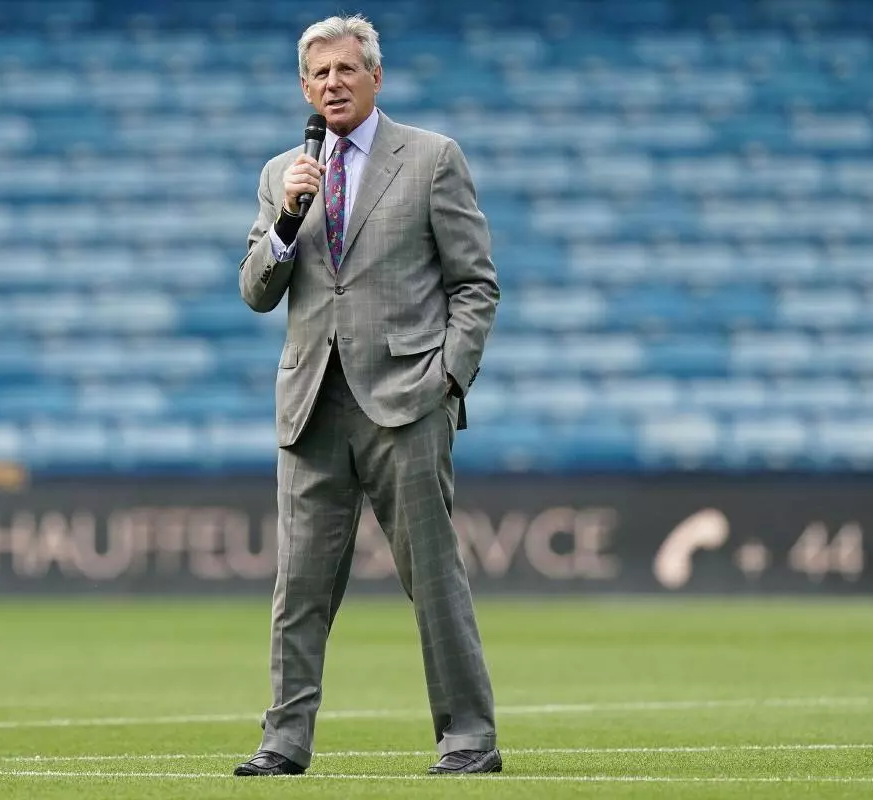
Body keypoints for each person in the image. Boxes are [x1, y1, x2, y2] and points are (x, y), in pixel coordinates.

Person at [234, 14, 502, 777]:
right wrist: (288, 215)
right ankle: (283, 744)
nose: (332, 85)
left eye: (346, 71)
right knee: (299, 591)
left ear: (375, 76)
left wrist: (447, 379)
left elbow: (475, 284)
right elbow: (256, 290)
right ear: (303, 87)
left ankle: (469, 738)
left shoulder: (431, 159)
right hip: (312, 405)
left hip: (406, 402)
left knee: (434, 578)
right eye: (318, 75)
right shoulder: (283, 172)